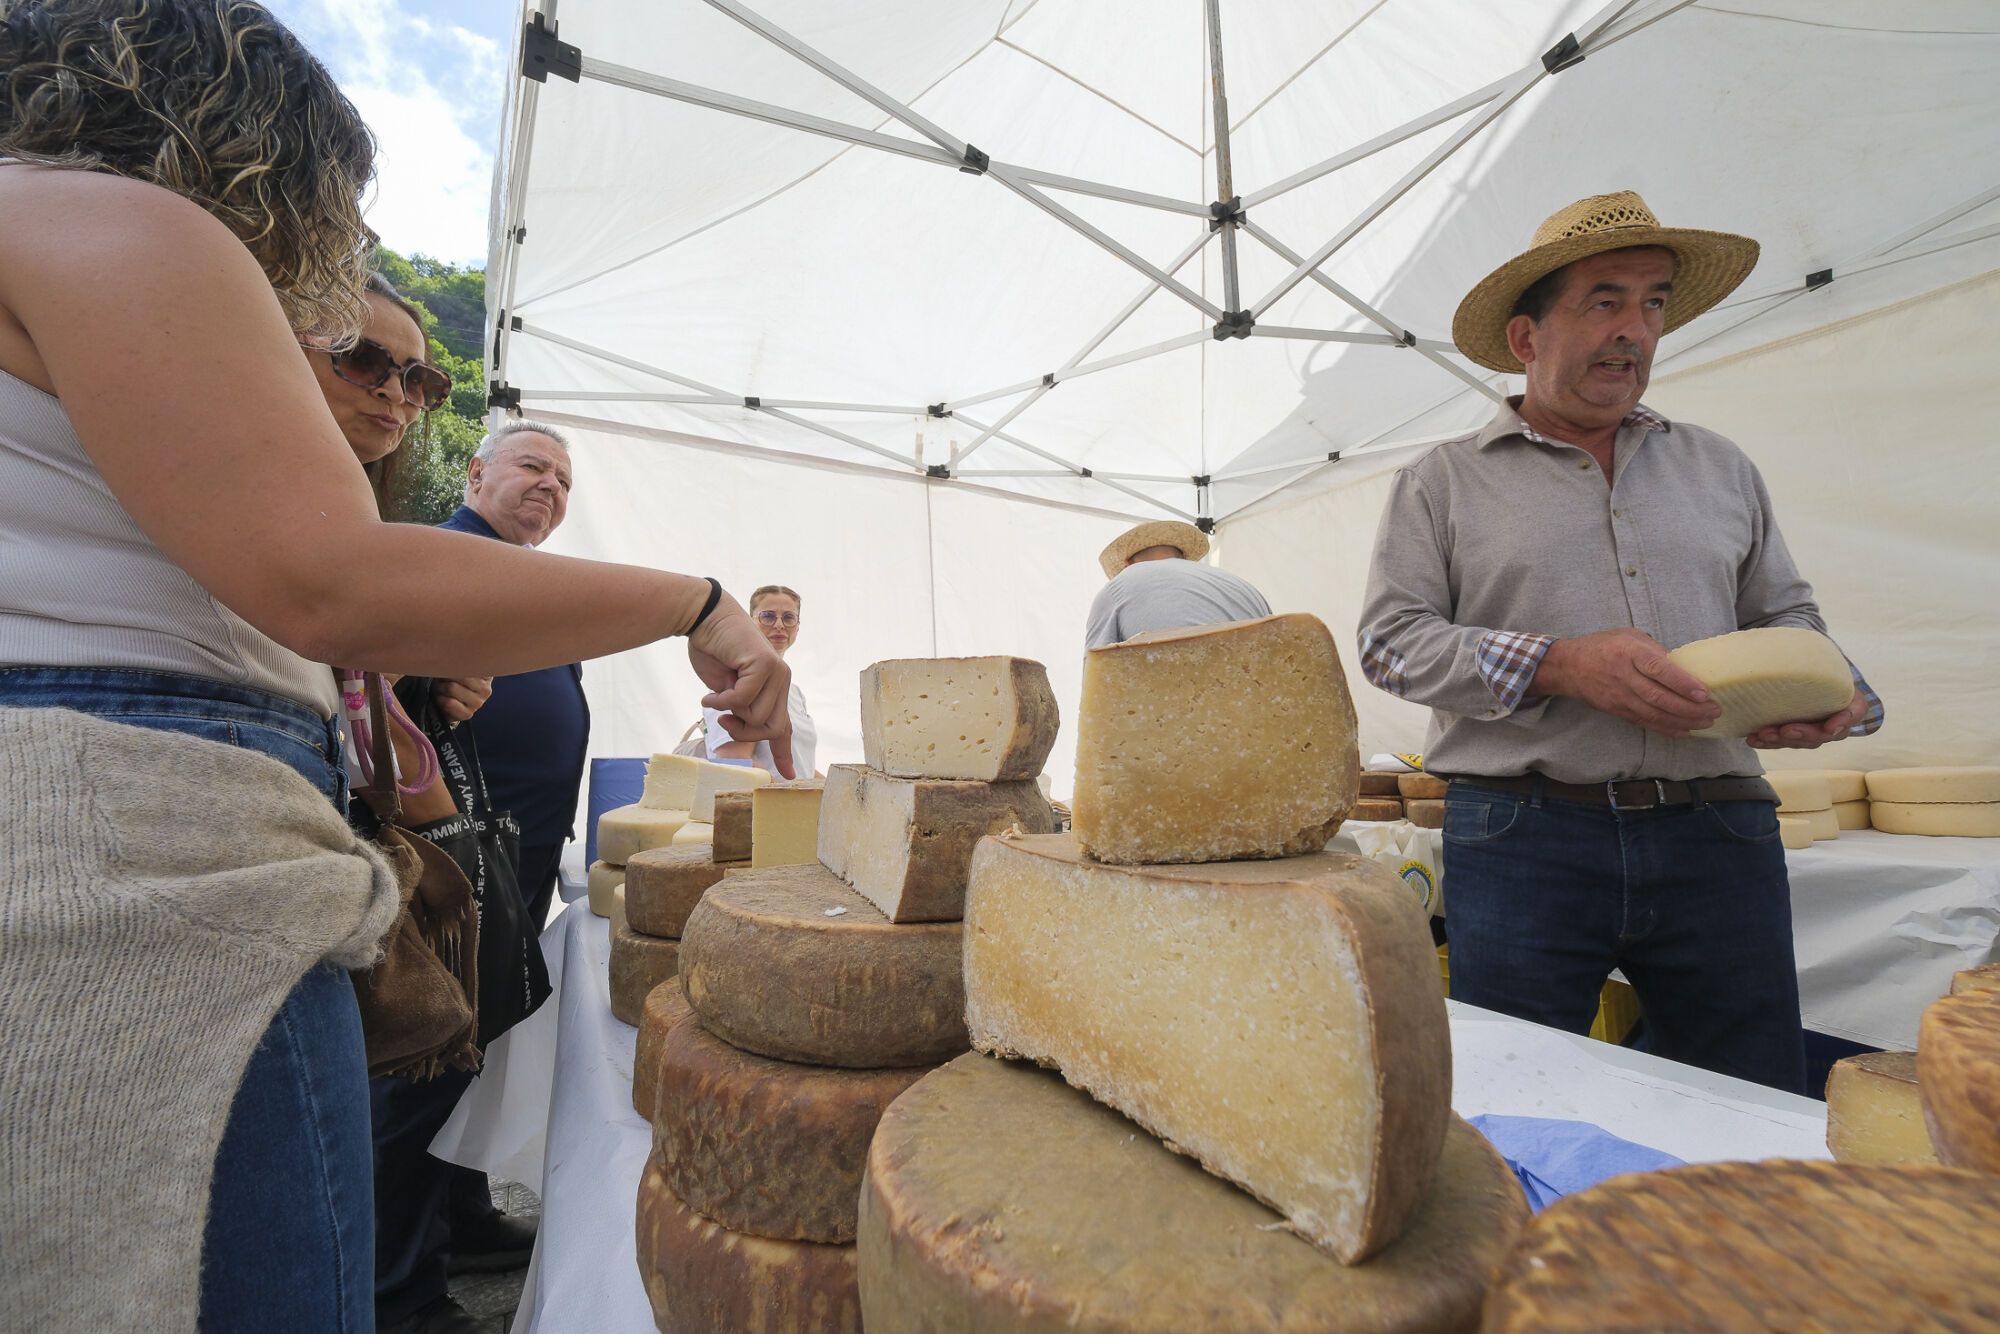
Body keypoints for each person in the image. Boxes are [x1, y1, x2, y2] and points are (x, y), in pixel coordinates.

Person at [0, 3, 790, 1326]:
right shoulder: (108, 216)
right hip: (138, 841)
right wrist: (695, 600)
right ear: (260, 151)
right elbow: (334, 581)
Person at [1356, 191, 1883, 1095]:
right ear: (1527, 338)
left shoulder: (1718, 466)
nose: (1633, 330)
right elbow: (1391, 646)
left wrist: (1830, 696)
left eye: (1654, 303)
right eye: (1604, 300)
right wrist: (1562, 664)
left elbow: (1789, 619)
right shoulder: (1440, 482)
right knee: (1520, 1095)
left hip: (1717, 829)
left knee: (1749, 1093)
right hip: (1524, 833)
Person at [304, 272, 539, 1334]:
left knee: (448, 1070)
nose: (396, 389)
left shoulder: (355, 510)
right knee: (406, 1080)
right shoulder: (335, 527)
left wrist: (437, 701)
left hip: (433, 848)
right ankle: (399, 1295)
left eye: (419, 374)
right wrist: (697, 607)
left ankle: (436, 1241)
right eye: (363, 358)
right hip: (355, 866)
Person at [436, 421, 590, 934]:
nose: (552, 484)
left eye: (564, 482)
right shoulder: (436, 557)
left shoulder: (541, 579)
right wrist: (423, 682)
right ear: (477, 473)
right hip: (459, 840)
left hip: (534, 836)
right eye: (532, 466)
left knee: (502, 1004)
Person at [1084, 519, 1272, 648]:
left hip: (1177, 700)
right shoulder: (1242, 585)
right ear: (1183, 557)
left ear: (1128, 563)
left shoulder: (1118, 586)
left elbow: (1095, 676)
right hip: (1256, 701)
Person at [705, 584, 818, 778]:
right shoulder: (737, 682)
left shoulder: (795, 692)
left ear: (798, 626)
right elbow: (735, 763)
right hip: (761, 807)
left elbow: (800, 768)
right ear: (750, 623)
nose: (779, 625)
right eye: (768, 616)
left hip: (796, 804)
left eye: (789, 617)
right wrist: (797, 797)